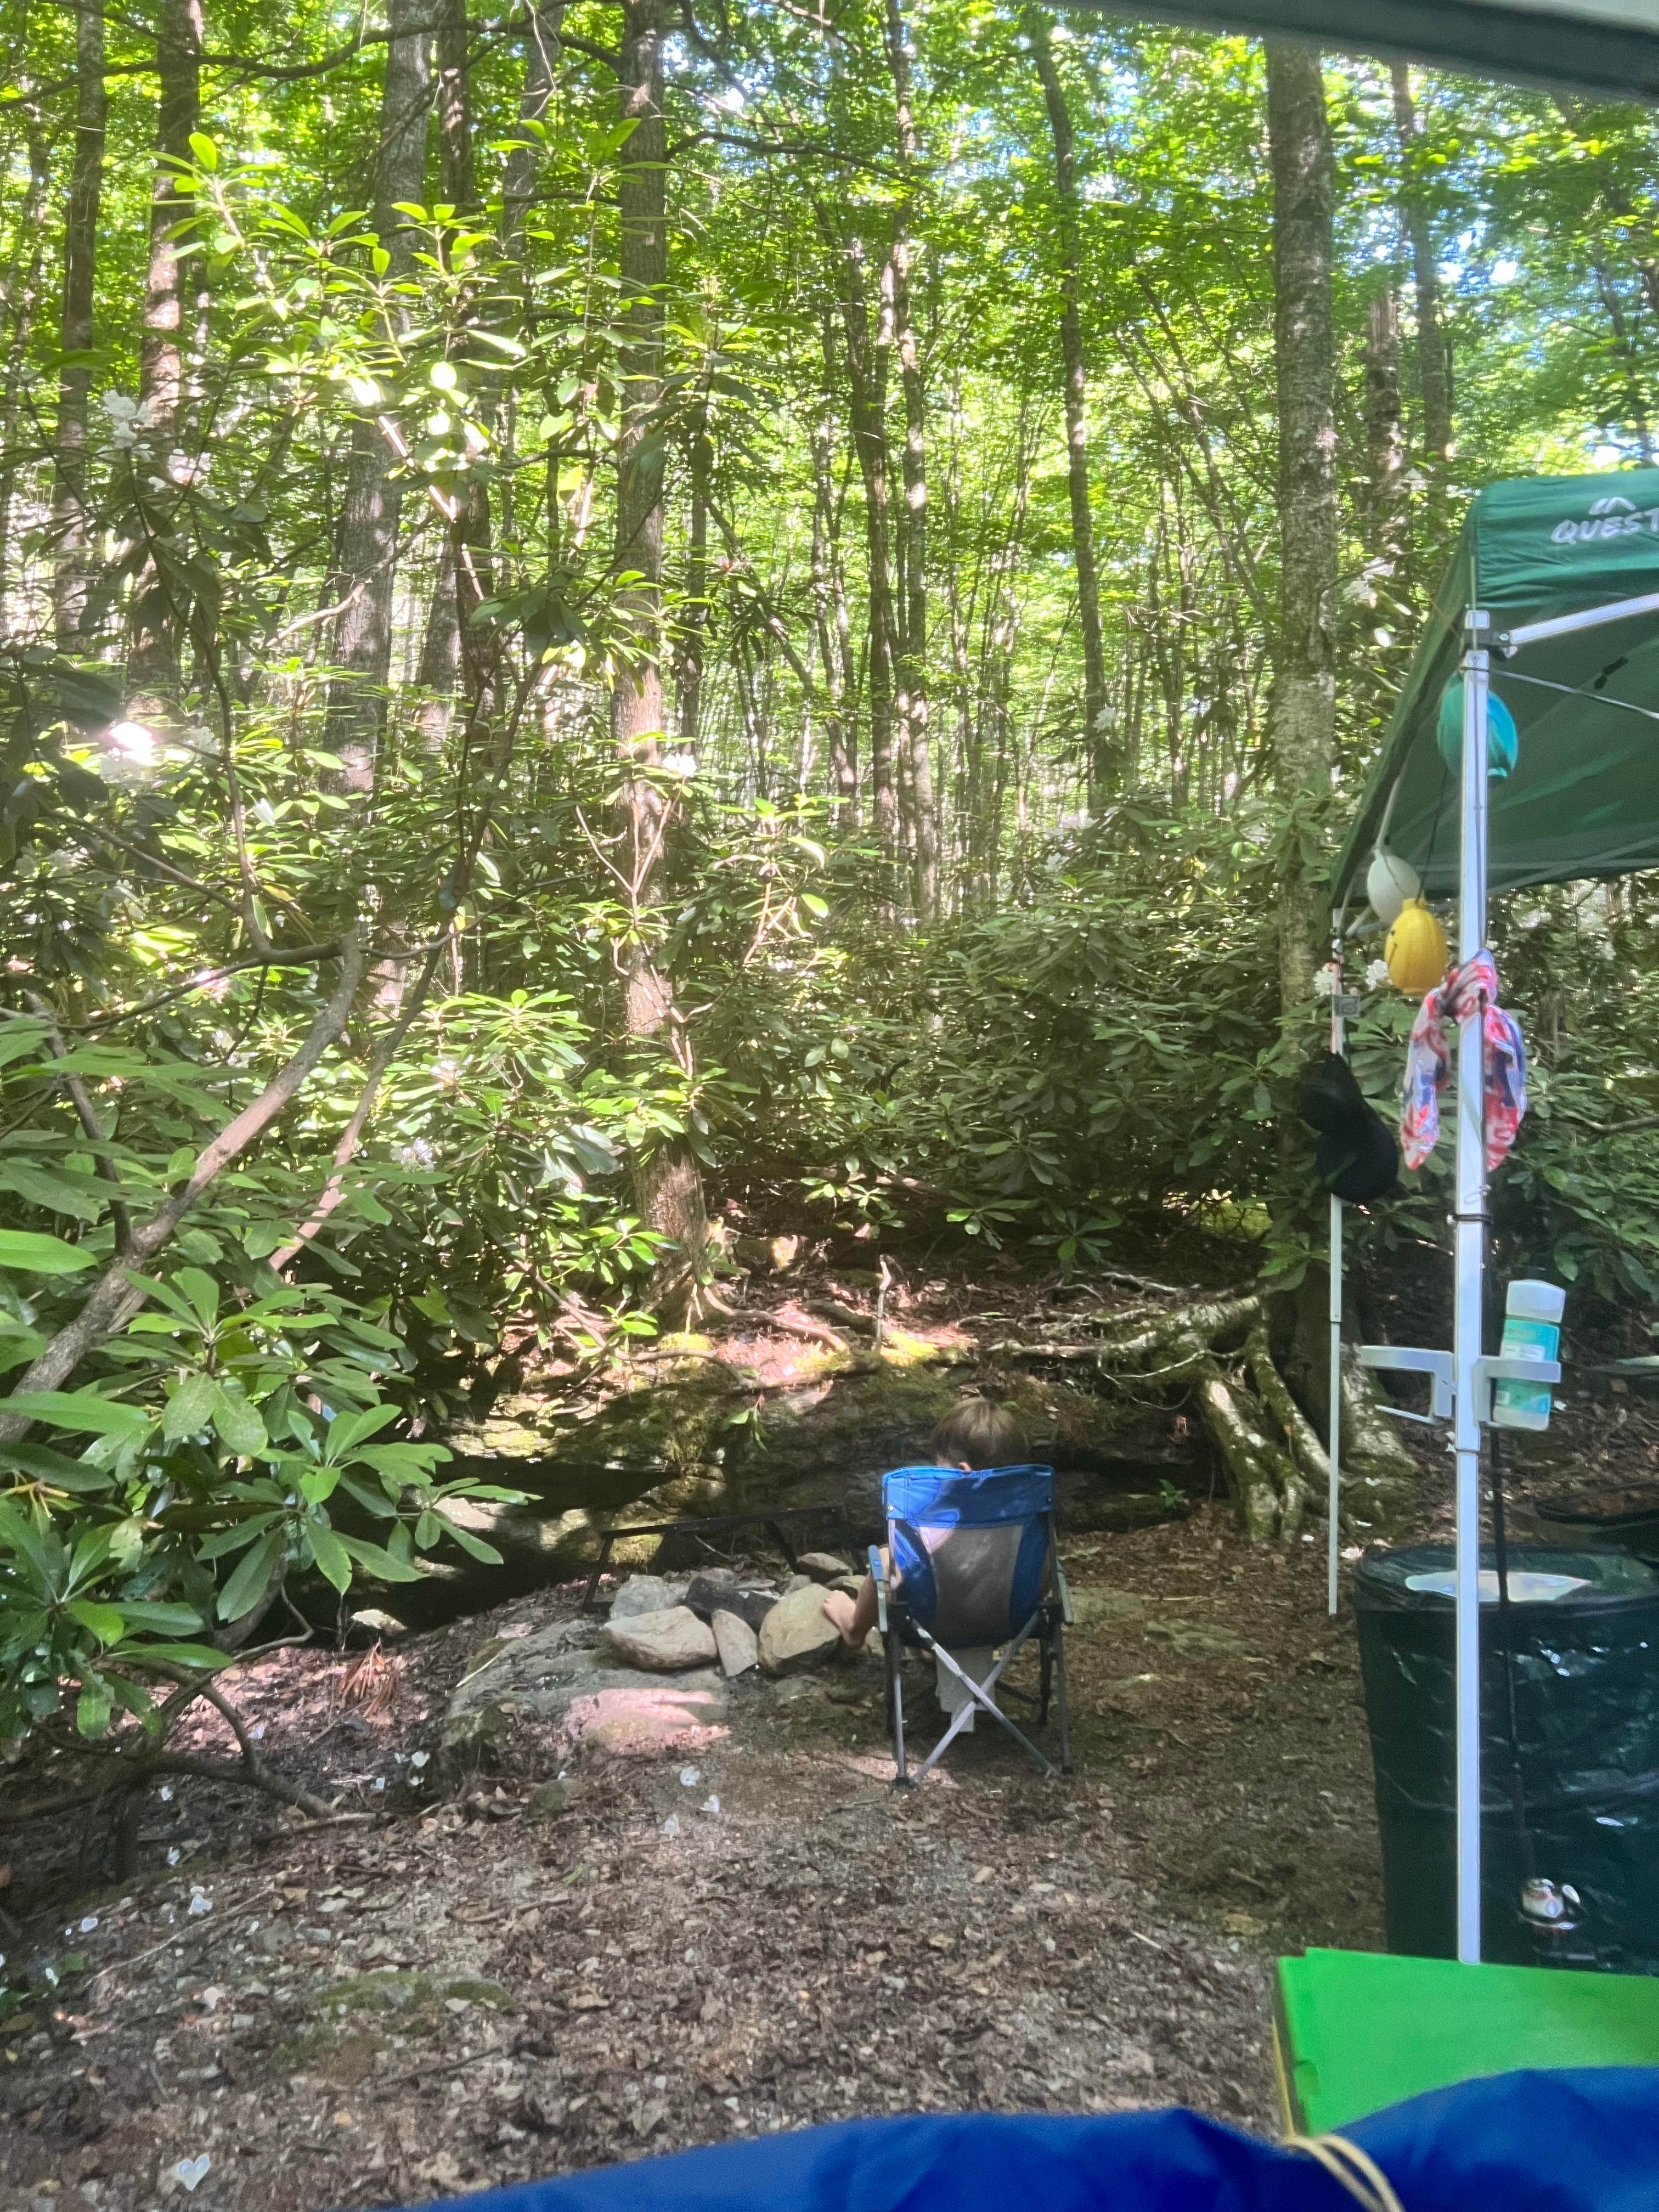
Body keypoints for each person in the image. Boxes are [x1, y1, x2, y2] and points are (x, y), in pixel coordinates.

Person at [821, 1395, 1030, 1650]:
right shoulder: (1026, 1517)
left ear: (962, 1472)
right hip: (1011, 1621)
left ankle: (854, 1629)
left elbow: (892, 1573)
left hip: (936, 1626)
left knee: (886, 1559)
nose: (935, 1469)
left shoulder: (937, 1526)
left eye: (939, 1463)